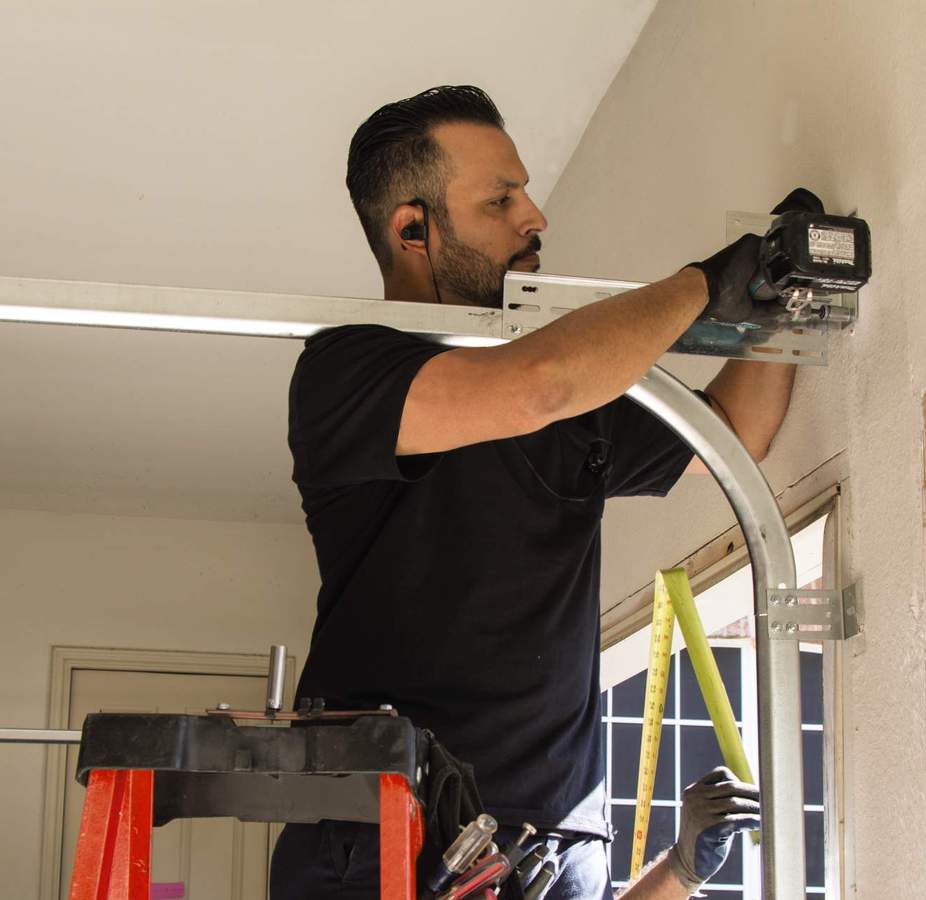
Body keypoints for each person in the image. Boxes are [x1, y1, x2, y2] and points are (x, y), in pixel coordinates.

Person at [269, 85, 793, 899]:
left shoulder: (576, 404)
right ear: (412, 229)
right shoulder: (347, 372)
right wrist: (704, 283)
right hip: (386, 830)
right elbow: (540, 384)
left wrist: (784, 302)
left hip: (555, 835)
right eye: (500, 199)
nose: (535, 216)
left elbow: (732, 433)